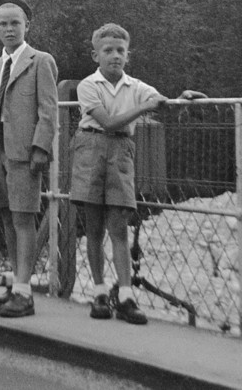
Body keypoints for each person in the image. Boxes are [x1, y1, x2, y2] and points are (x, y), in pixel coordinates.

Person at [70, 22, 206, 325]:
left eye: (121, 51)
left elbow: (162, 105)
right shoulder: (88, 85)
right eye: (108, 51)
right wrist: (143, 109)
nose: (115, 56)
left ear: (128, 55)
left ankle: (127, 296)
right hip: (91, 149)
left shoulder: (137, 87)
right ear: (96, 55)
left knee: (119, 227)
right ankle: (100, 292)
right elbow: (108, 122)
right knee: (93, 228)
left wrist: (180, 98)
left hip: (121, 153)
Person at [0, 0, 58, 318]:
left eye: (15, 23)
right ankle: (15, 283)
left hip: (24, 153)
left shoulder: (40, 61)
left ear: (27, 25)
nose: (9, 29)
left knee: (24, 217)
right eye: (3, 24)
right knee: (6, 216)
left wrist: (40, 148)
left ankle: (25, 291)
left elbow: (48, 111)